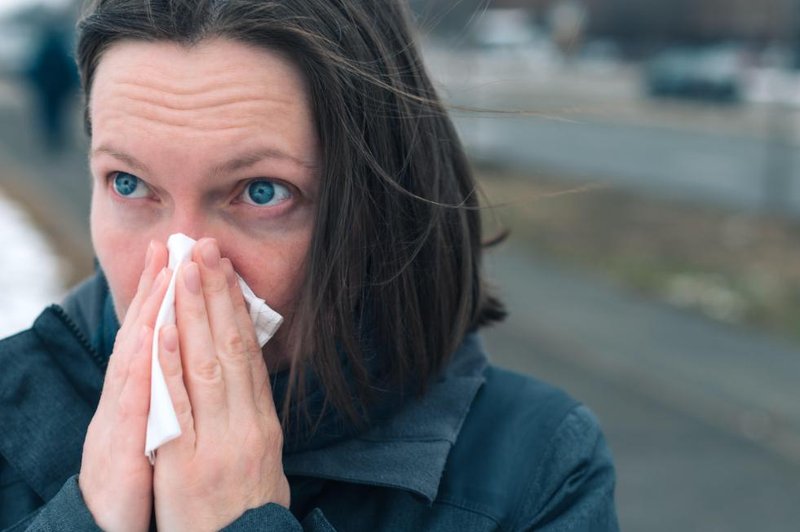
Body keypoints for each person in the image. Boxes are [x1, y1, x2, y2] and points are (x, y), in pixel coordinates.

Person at [0, 0, 619, 530]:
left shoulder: (535, 464)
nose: (184, 267)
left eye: (262, 191)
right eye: (130, 184)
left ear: (376, 204)